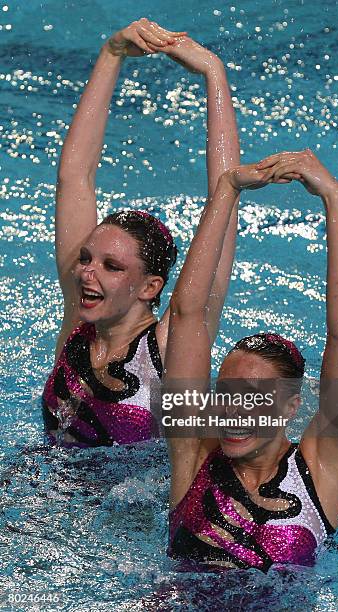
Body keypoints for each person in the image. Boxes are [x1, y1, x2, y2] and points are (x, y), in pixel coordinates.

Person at [163, 150, 338, 571]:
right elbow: (186, 314)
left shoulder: (320, 471)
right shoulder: (194, 452)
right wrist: (227, 189)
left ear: (292, 406)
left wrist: (334, 197)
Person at [42, 18, 240, 447]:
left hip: (130, 513)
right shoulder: (79, 316)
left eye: (112, 266)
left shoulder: (173, 344)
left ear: (150, 286)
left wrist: (214, 73)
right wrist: (111, 53)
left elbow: (224, 205)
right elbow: (75, 178)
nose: (86, 272)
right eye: (86, 258)